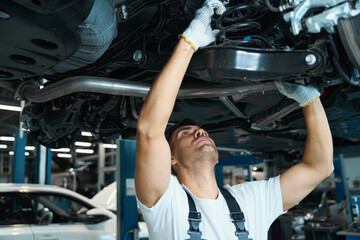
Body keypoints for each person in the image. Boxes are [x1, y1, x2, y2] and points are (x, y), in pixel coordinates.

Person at [134, 0, 334, 239]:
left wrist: (311, 100)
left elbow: (319, 167)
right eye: (185, 133)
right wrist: (190, 42)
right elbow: (149, 129)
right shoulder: (165, 204)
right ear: (171, 159)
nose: (200, 132)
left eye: (201, 131)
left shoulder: (249, 200)